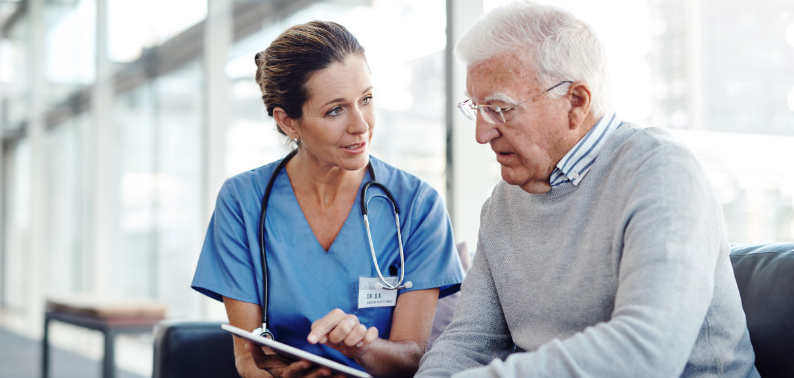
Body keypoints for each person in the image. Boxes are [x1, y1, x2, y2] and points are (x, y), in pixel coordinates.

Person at [417, 2, 758, 377]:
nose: (482, 134)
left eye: (499, 109)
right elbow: (468, 342)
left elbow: (647, 352)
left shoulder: (661, 171)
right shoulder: (503, 203)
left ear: (575, 102)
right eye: (476, 109)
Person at [191, 21, 464, 378]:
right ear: (289, 122)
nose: (361, 125)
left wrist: (360, 348)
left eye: (366, 100)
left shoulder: (417, 205)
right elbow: (248, 359)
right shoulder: (243, 202)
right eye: (336, 110)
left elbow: (411, 358)